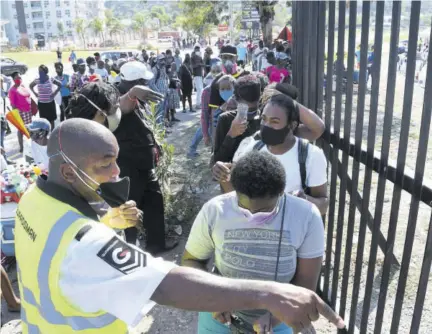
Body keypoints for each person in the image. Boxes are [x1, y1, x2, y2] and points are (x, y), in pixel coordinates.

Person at [14, 118, 345, 333]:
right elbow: (164, 284)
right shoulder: (83, 241)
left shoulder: (34, 197)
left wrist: (108, 219)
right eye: (105, 164)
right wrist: (266, 293)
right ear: (70, 171)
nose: (117, 172)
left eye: (115, 159)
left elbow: (58, 249)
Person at [183, 151, 325, 333]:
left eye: (265, 210)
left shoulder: (306, 216)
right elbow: (191, 261)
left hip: (279, 321)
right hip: (218, 318)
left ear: (281, 193)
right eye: (243, 207)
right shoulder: (215, 210)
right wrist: (212, 298)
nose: (253, 216)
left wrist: (277, 317)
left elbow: (306, 286)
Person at [69, 81, 178, 253]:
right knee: (125, 216)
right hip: (123, 175)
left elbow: (121, 106)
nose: (118, 110)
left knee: (152, 204)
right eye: (113, 108)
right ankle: (129, 254)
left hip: (140, 166)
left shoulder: (104, 115)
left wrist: (131, 94)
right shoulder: (88, 136)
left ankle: (155, 247)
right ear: (99, 113)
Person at [215, 92, 328, 214]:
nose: (266, 126)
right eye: (264, 119)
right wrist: (224, 177)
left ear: (292, 125)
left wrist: (304, 200)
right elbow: (236, 198)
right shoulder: (252, 148)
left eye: (274, 121)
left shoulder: (310, 156)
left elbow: (323, 205)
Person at [212, 74, 262, 166]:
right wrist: (231, 134)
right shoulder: (225, 119)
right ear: (236, 99)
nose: (250, 115)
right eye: (246, 109)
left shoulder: (265, 119)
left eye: (253, 109)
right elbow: (217, 161)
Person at [208, 44, 248, 113]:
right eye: (225, 57)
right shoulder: (216, 81)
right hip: (223, 121)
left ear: (236, 58)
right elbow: (214, 109)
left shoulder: (245, 76)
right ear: (220, 58)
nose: (228, 60)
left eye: (231, 57)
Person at [29, 65, 61, 130]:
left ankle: (52, 133)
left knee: (51, 120)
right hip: (41, 104)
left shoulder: (50, 79)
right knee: (43, 121)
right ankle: (45, 135)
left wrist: (54, 93)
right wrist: (35, 93)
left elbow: (59, 84)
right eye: (39, 71)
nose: (40, 72)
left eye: (41, 71)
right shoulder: (37, 80)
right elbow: (30, 86)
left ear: (45, 71)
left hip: (50, 103)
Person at [8, 72, 33, 152]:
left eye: (20, 77)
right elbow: (13, 104)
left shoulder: (22, 86)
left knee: (29, 128)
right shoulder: (12, 90)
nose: (19, 79)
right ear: (13, 79)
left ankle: (32, 144)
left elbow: (28, 96)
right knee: (21, 130)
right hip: (20, 112)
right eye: (17, 78)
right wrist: (17, 116)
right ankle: (21, 147)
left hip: (28, 111)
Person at [149, 54, 170, 124]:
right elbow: (151, 83)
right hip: (158, 95)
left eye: (163, 59)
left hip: (165, 93)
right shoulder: (154, 69)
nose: (163, 61)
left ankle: (163, 127)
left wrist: (167, 89)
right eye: (161, 60)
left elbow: (166, 79)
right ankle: (160, 129)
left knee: (164, 111)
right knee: (158, 112)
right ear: (157, 61)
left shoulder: (163, 68)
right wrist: (158, 93)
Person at [191, 44, 204, 109]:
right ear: (195, 50)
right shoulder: (193, 57)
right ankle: (198, 104)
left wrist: (201, 64)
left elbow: (202, 64)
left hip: (200, 74)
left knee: (201, 89)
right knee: (199, 90)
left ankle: (200, 103)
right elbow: (192, 66)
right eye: (197, 49)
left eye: (199, 49)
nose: (198, 50)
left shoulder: (200, 56)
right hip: (196, 74)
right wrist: (198, 64)